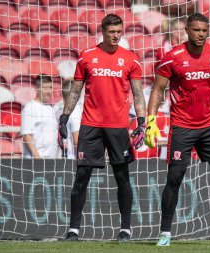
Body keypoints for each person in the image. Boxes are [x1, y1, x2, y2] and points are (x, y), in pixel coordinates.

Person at [145, 13, 210, 247]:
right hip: (182, 126)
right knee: (175, 177)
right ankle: (165, 233)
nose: (201, 34)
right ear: (187, 30)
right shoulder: (172, 58)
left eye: (204, 30)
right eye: (196, 30)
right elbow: (158, 90)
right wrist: (151, 120)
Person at [58, 14, 146, 242]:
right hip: (91, 124)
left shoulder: (131, 59)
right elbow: (76, 91)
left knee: (122, 177)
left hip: (118, 126)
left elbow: (137, 93)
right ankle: (73, 230)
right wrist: (64, 118)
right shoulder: (87, 57)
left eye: (119, 32)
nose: (116, 36)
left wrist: (142, 120)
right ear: (103, 32)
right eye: (111, 32)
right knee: (82, 176)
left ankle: (125, 229)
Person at [21, 75, 59, 158]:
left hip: (51, 160)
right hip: (36, 161)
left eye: (50, 87)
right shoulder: (30, 108)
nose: (49, 91)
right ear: (37, 89)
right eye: (45, 88)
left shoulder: (50, 108)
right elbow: (27, 135)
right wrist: (37, 158)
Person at [54, 78, 82, 159]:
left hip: (60, 155)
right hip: (71, 158)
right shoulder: (75, 110)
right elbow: (77, 141)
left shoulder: (56, 108)